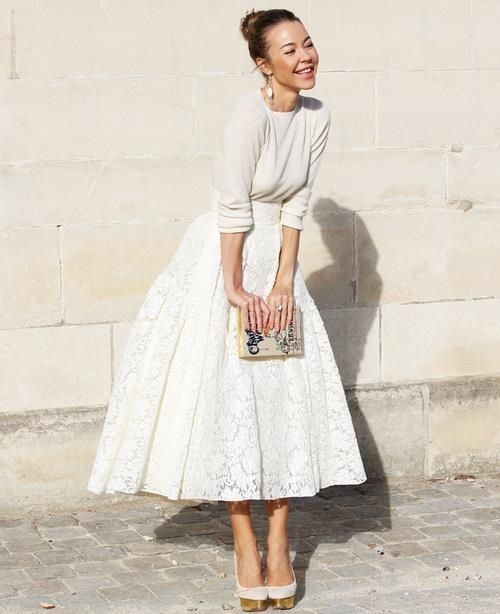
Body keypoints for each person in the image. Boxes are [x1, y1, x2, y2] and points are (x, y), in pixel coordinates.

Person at [87, 7, 367, 612]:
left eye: (308, 43)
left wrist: (285, 279)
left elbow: (297, 201)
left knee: (283, 400)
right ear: (264, 65)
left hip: (275, 263)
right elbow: (233, 204)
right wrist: (234, 285)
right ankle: (245, 545)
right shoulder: (248, 114)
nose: (305, 56)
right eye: (289, 50)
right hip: (224, 253)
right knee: (231, 400)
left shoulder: (317, 115)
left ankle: (279, 542)